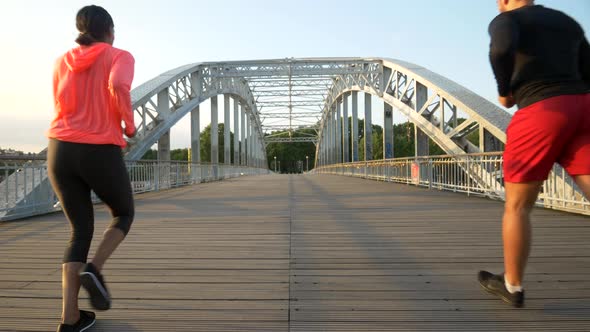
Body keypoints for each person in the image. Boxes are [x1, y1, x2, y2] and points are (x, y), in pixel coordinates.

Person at [478, 0, 590, 307]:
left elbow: (501, 50)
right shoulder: (566, 21)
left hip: (542, 109)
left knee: (517, 206)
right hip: (583, 107)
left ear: (502, 1)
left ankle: (512, 286)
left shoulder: (507, 19)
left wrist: (504, 90)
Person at [47, 5, 136, 331]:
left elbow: (60, 102)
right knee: (123, 213)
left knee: (80, 230)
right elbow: (120, 85)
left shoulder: (61, 61)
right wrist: (128, 124)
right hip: (98, 149)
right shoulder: (119, 55)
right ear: (110, 30)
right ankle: (94, 270)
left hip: (59, 149)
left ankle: (70, 320)